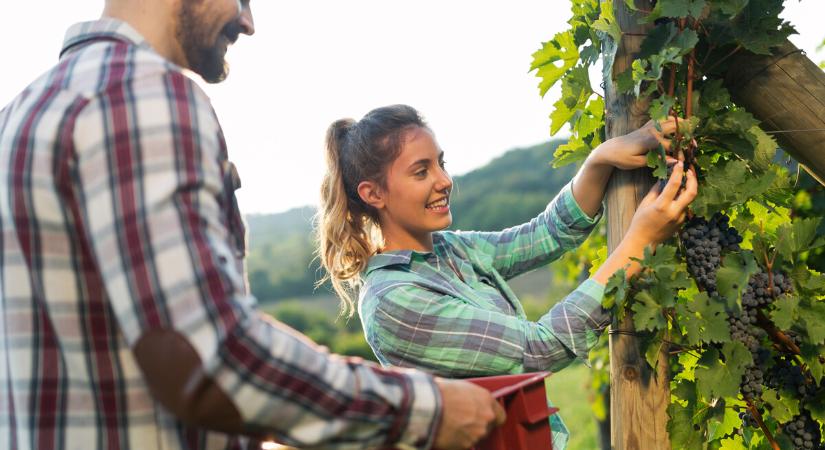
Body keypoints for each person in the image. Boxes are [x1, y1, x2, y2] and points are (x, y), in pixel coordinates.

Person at [0, 2, 506, 449]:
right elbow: (211, 355)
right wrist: (424, 409)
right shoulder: (141, 95)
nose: (248, 21)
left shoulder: (19, 116)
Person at [317, 104, 697, 448]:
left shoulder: (450, 250)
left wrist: (599, 161)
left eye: (440, 163)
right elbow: (538, 351)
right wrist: (637, 245)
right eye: (421, 171)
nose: (444, 180)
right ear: (373, 194)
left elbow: (545, 234)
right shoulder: (394, 302)